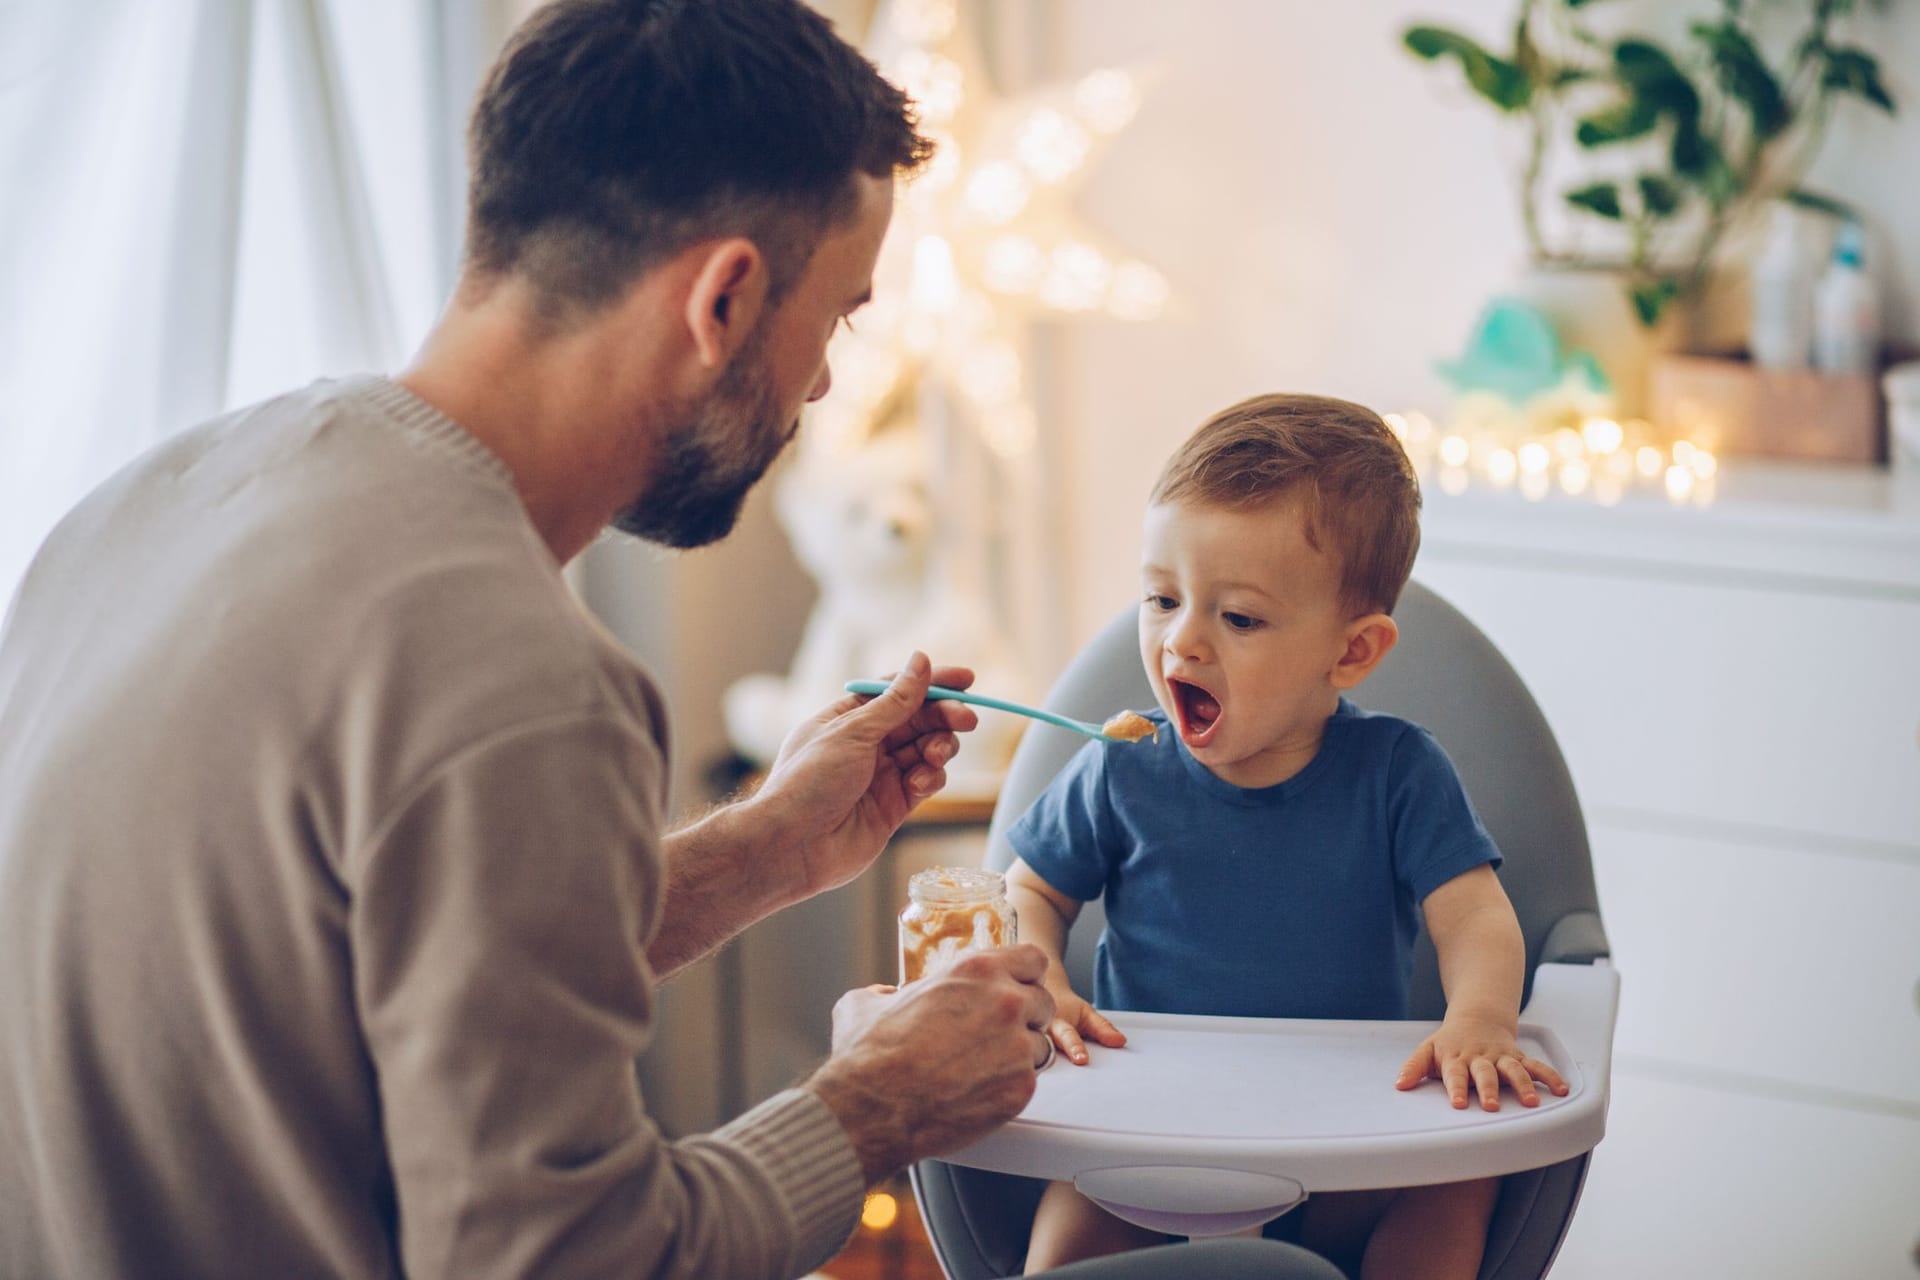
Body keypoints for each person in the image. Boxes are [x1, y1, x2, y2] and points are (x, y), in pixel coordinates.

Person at [0, 2, 1061, 1276]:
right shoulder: (523, 681)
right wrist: (876, 1101)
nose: (825, 384)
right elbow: (559, 1257)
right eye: (834, 318)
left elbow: (362, 966)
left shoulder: (146, 502)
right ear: (724, 298)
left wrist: (766, 849)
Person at [1005, 394, 1572, 1278]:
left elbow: (1474, 917)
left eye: (1238, 618)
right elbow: (1031, 888)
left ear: (1351, 653)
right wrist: (1039, 966)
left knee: (1458, 1185)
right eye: (1161, 599)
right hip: (1145, 1150)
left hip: (1350, 1149)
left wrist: (1481, 1018)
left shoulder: (1397, 772)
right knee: (1068, 1235)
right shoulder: (1123, 766)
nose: (1179, 643)